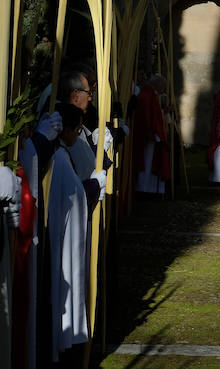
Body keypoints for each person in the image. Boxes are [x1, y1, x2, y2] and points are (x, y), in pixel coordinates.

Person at [47, 104, 106, 362]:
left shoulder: (60, 153)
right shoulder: (58, 157)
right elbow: (74, 196)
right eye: (77, 129)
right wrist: (95, 184)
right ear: (67, 130)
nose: (79, 134)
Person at [132, 75, 170, 195]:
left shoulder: (150, 94)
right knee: (147, 163)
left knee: (150, 162)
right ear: (157, 84)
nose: (164, 88)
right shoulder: (147, 95)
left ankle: (149, 188)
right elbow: (147, 116)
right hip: (148, 136)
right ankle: (145, 188)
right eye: (163, 85)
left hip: (151, 134)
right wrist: (152, 132)